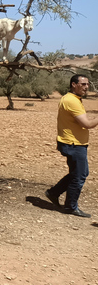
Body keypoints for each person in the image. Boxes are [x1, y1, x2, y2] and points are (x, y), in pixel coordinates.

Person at [46, 74, 96, 217]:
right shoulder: (72, 101)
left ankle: (53, 192)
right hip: (73, 144)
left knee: (79, 173)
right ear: (73, 84)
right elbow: (87, 124)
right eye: (83, 84)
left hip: (73, 143)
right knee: (79, 175)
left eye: (87, 84)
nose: (86, 87)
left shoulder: (72, 99)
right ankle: (70, 207)